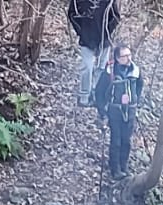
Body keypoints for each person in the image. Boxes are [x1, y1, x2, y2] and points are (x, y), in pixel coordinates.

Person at [93, 45, 143, 178]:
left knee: (126, 140)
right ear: (117, 58)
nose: (128, 58)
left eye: (129, 55)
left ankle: (124, 166)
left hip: (130, 110)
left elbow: (139, 86)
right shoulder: (110, 72)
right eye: (124, 56)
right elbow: (99, 91)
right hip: (114, 110)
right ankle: (115, 169)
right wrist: (102, 110)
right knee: (116, 140)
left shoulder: (135, 70)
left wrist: (135, 100)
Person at [68, 0, 120, 103]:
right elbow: (72, 15)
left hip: (103, 40)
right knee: (87, 67)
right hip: (86, 39)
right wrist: (81, 32)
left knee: (101, 67)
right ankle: (84, 96)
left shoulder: (109, 1)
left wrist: (106, 32)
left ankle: (96, 94)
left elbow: (116, 17)